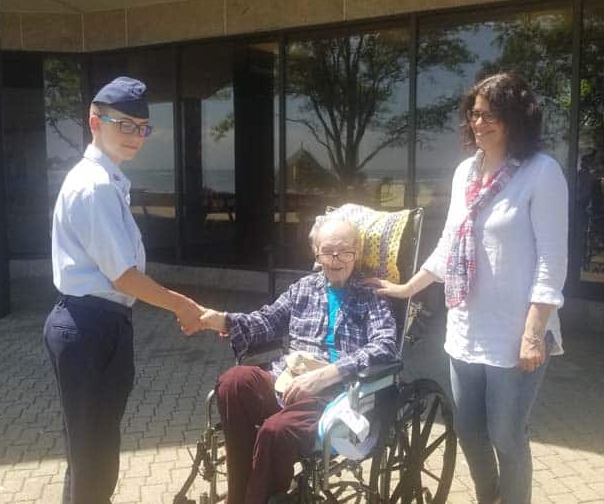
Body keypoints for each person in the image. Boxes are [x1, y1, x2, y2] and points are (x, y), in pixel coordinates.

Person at [366, 73, 568, 504]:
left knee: (506, 437)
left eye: (492, 115)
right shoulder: (465, 173)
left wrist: (535, 332)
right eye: (475, 114)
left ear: (517, 118)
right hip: (465, 330)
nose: (480, 123)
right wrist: (407, 288)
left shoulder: (541, 173)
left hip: (516, 335)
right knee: (470, 433)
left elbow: (553, 262)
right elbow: (448, 244)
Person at [43, 76, 204, 504]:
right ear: (94, 121)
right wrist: (182, 305)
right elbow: (124, 277)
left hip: (98, 324)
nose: (135, 135)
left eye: (141, 127)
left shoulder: (106, 180)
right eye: (124, 124)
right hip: (88, 327)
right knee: (94, 458)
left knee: (89, 453)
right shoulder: (94, 185)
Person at [198, 218, 400, 504]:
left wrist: (328, 373)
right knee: (233, 381)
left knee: (274, 432)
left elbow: (385, 344)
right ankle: (239, 493)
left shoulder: (371, 295)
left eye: (344, 251)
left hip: (335, 395)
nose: (336, 259)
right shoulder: (303, 288)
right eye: (327, 251)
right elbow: (267, 321)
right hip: (288, 380)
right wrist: (222, 320)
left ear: (357, 251)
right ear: (316, 254)